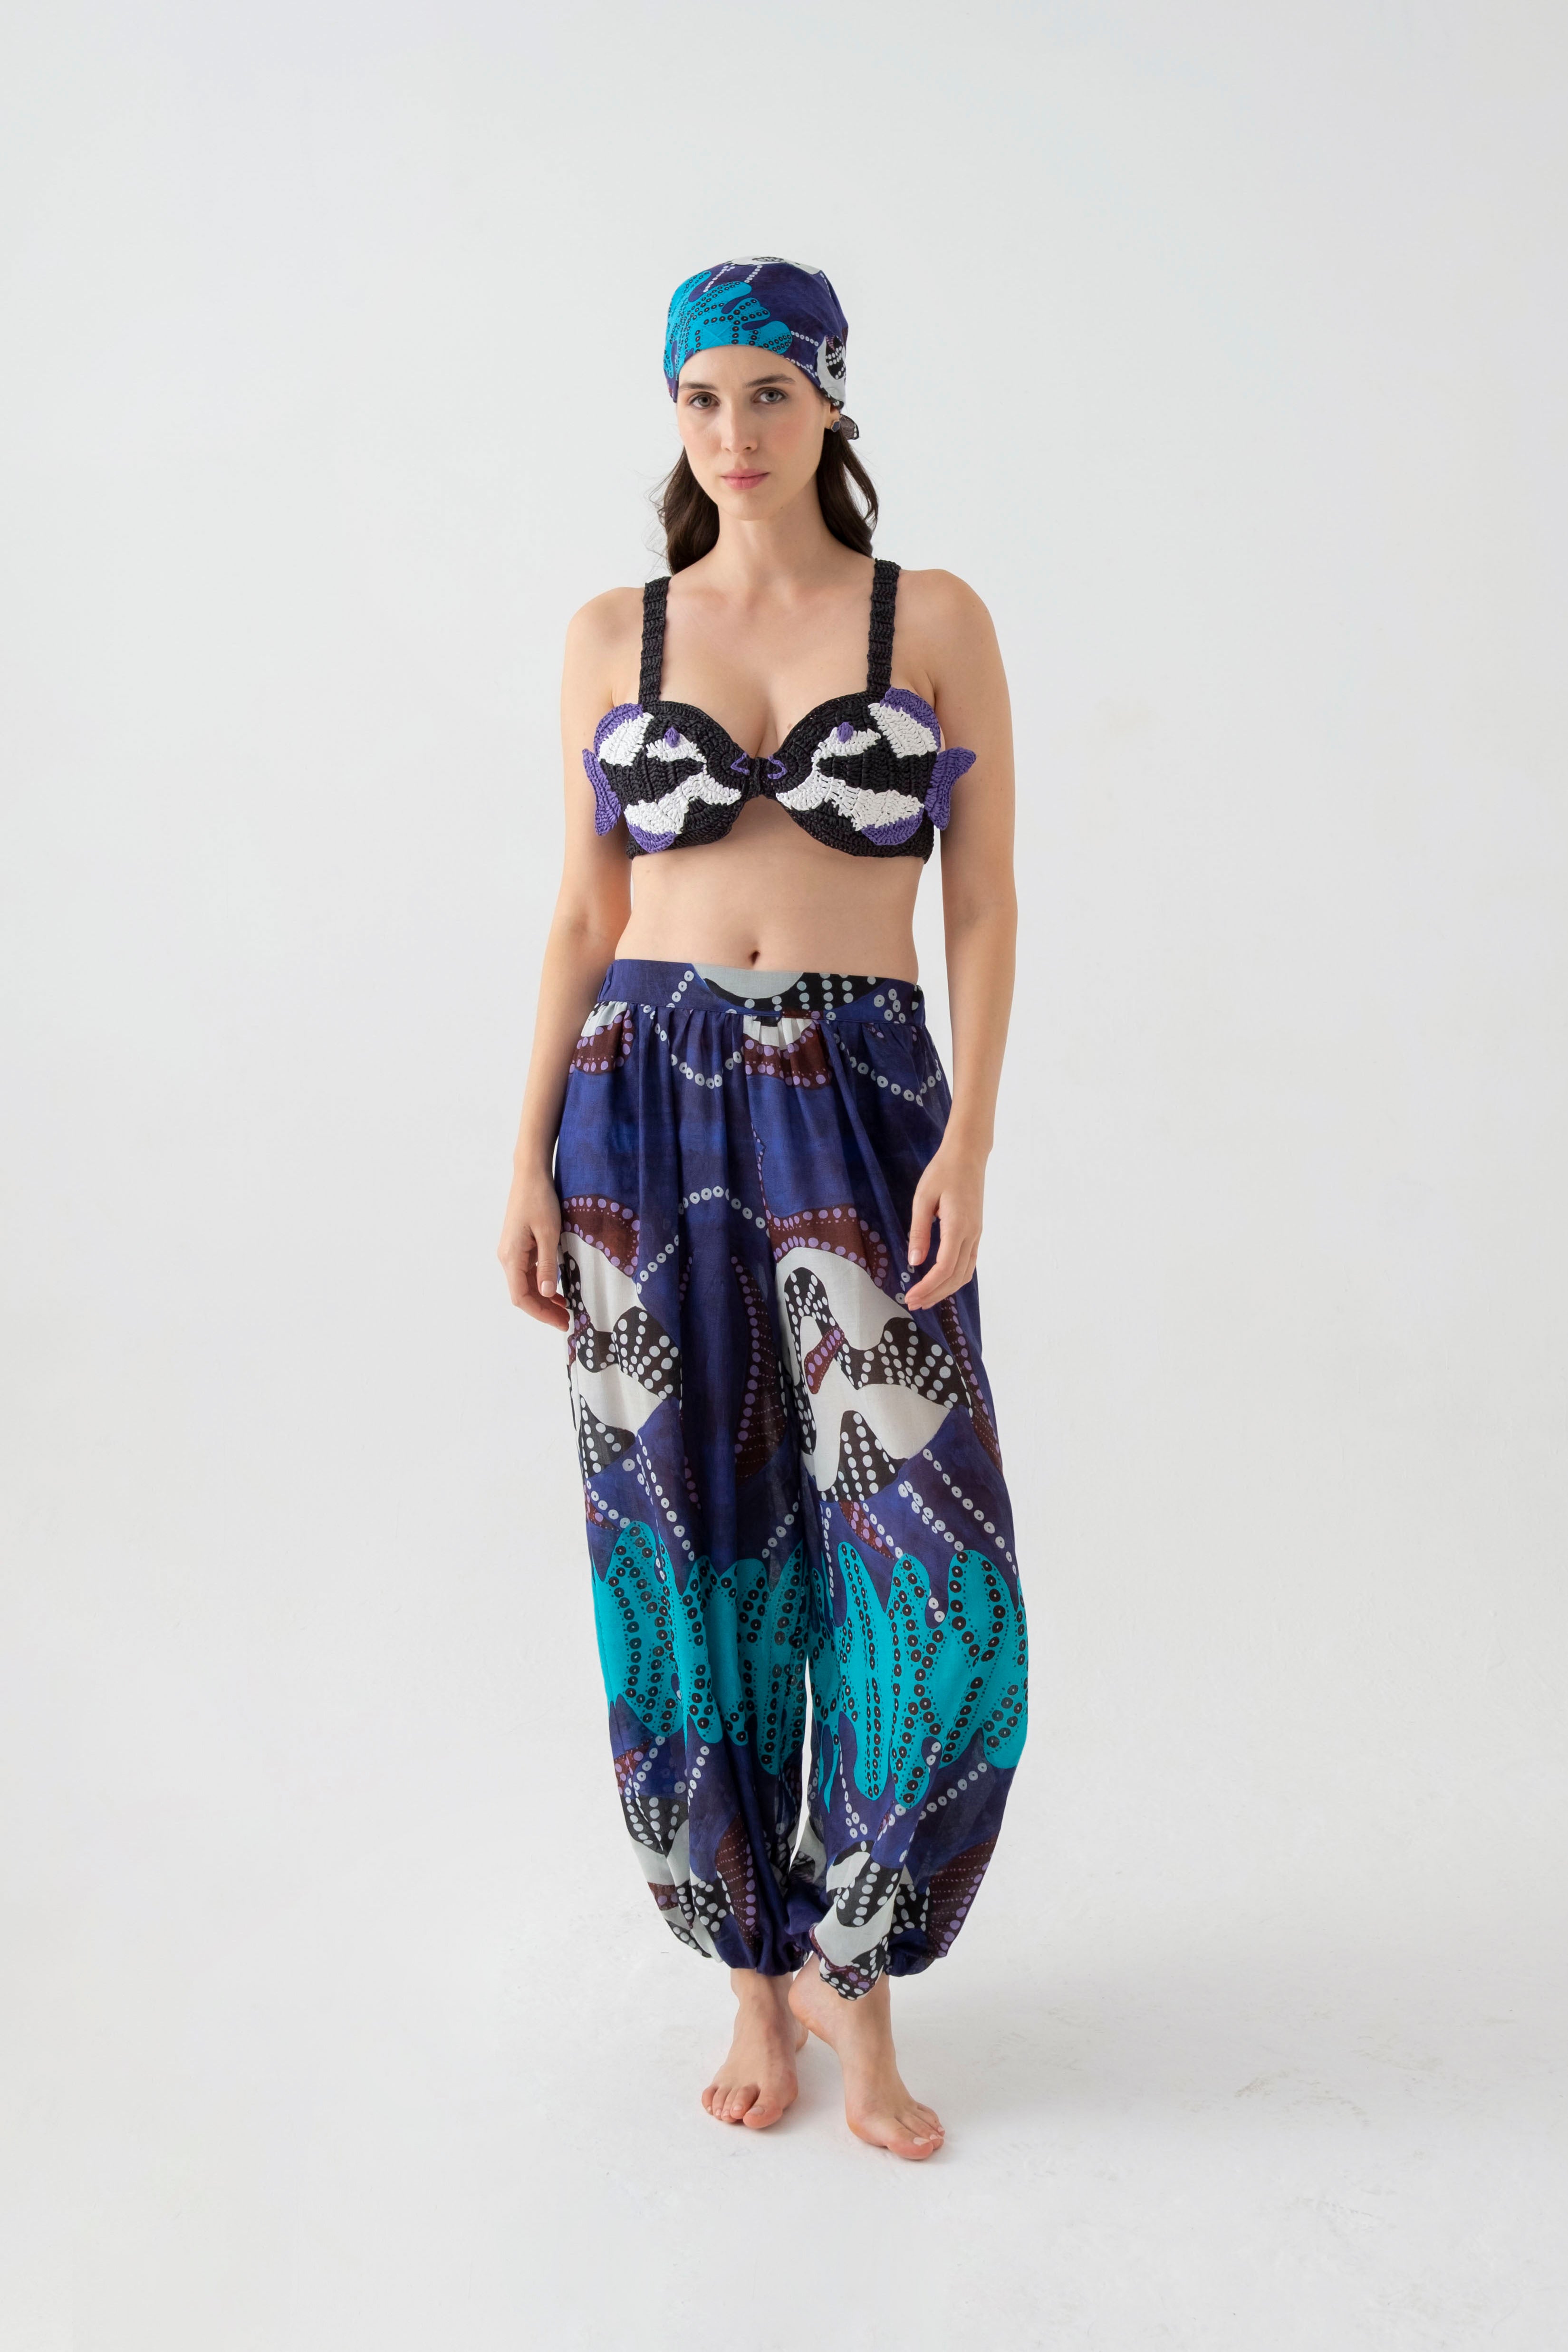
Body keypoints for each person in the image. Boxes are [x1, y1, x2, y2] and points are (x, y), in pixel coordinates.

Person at [498, 258, 1027, 2161]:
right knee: (689, 1534)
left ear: (831, 403)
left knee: (927, 1570)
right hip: (640, 1097)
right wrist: (523, 1154)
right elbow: (583, 908)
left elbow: (982, 900)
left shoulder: (928, 614)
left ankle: (852, 1966)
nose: (733, 433)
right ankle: (756, 1979)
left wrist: (970, 1139)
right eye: (701, 398)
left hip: (858, 1095)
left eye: (770, 395)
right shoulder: (611, 631)